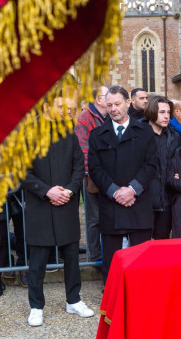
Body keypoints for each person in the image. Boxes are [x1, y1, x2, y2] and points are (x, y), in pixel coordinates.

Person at [22, 95, 93, 327]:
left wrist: (70, 192)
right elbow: (22, 172)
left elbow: (77, 167)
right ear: (46, 107)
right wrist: (46, 191)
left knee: (72, 256)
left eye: (70, 108)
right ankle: (36, 306)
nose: (67, 111)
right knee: (38, 260)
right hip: (40, 205)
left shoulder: (69, 134)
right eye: (61, 107)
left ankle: (73, 300)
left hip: (66, 203)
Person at [88, 86, 158, 283]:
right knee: (111, 260)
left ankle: (141, 296)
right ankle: (111, 298)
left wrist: (132, 190)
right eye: (109, 105)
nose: (113, 109)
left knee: (140, 260)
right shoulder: (97, 134)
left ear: (127, 103)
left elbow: (151, 164)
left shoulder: (145, 132)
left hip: (138, 203)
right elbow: (95, 169)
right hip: (112, 205)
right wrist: (116, 192)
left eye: (117, 104)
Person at [74, 85, 108, 262]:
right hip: (93, 177)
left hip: (110, 177)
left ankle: (107, 253)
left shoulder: (110, 116)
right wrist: (94, 172)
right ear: (99, 99)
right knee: (94, 218)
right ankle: (94, 256)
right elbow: (83, 149)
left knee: (109, 217)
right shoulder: (85, 118)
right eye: (107, 95)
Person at [144, 96, 181, 239]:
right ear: (153, 112)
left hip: (167, 199)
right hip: (144, 199)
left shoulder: (174, 136)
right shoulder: (139, 134)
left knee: (162, 240)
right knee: (142, 243)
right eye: (162, 112)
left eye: (168, 112)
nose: (167, 116)